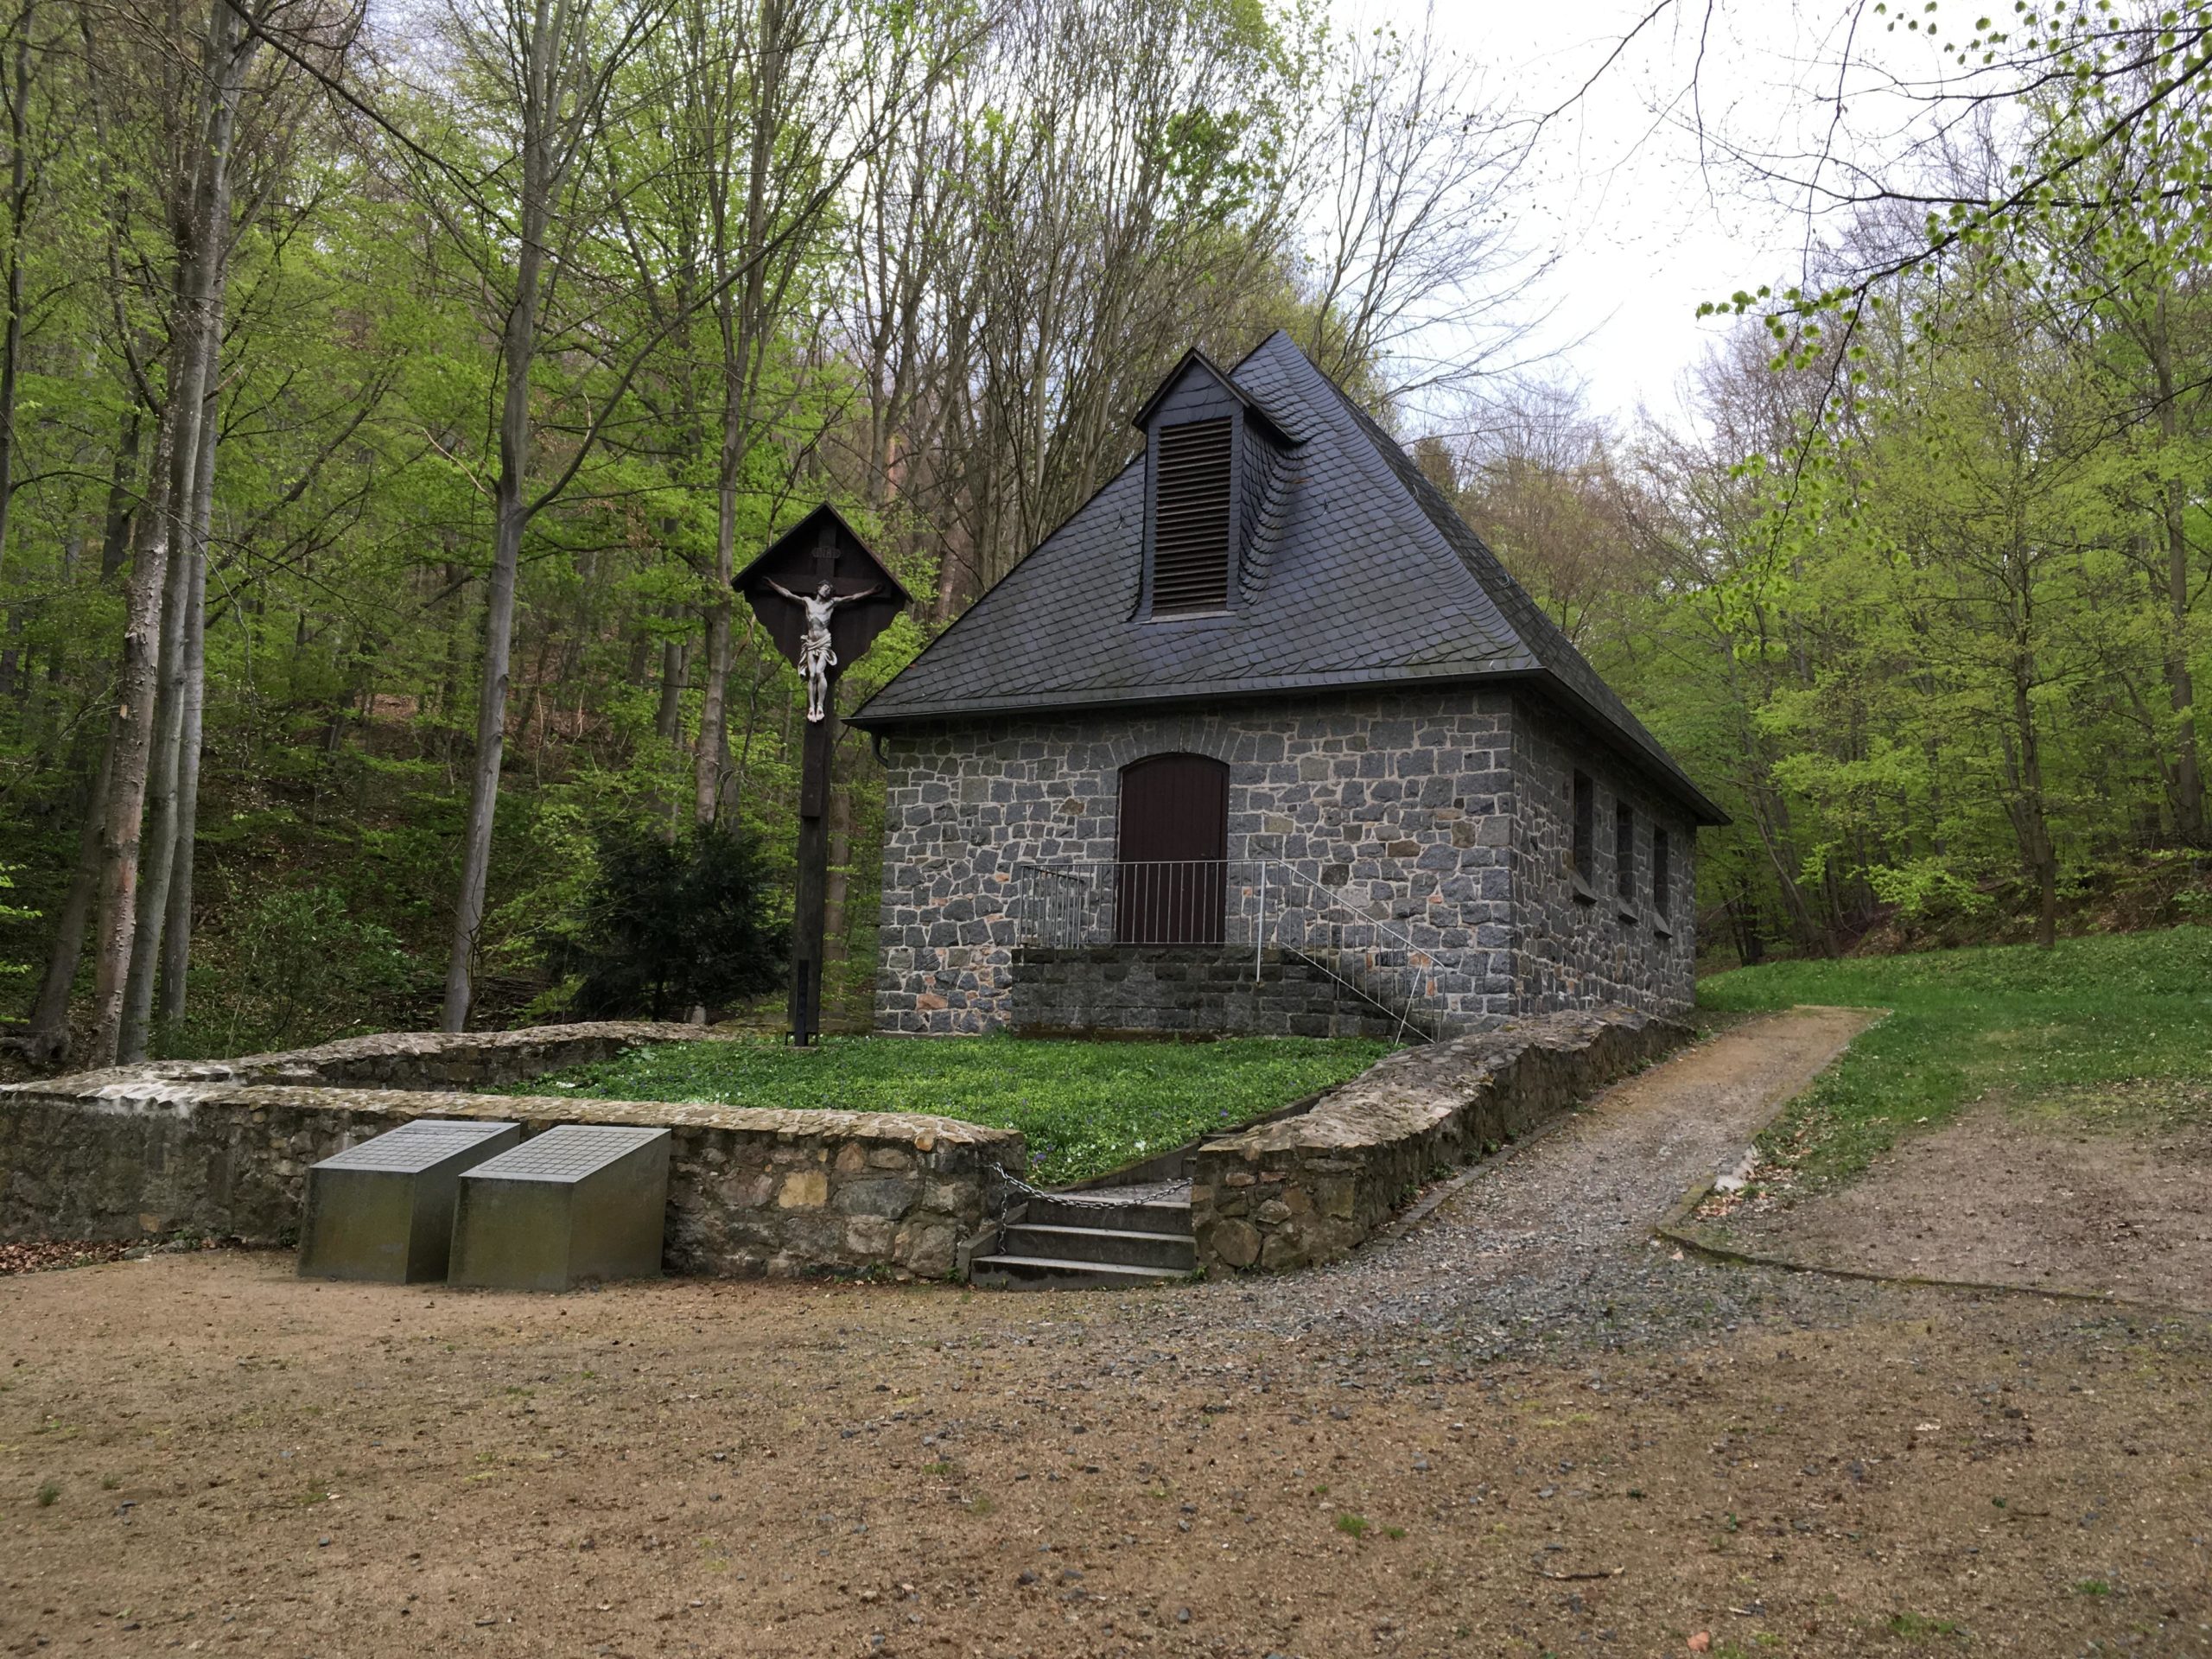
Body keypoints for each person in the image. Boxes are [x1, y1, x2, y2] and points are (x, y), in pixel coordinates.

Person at [764, 577, 879, 721]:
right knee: (811, 676)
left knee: (819, 672)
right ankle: (812, 708)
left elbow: (852, 598)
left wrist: (871, 591)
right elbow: (788, 595)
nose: (827, 590)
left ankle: (820, 705)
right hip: (811, 642)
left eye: (829, 590)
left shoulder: (831, 603)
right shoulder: (807, 602)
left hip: (824, 641)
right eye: (825, 588)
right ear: (818, 588)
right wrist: (773, 584)